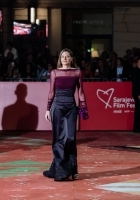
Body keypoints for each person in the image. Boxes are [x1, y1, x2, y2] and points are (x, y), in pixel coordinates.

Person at [43, 48, 88, 181]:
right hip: (57, 107)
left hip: (71, 107)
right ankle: (60, 170)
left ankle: (69, 168)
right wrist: (47, 109)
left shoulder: (77, 72)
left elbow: (80, 92)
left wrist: (84, 107)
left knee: (70, 138)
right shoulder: (55, 72)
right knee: (58, 139)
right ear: (60, 58)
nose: (65, 58)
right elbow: (51, 92)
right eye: (62, 56)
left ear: (71, 58)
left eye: (67, 56)